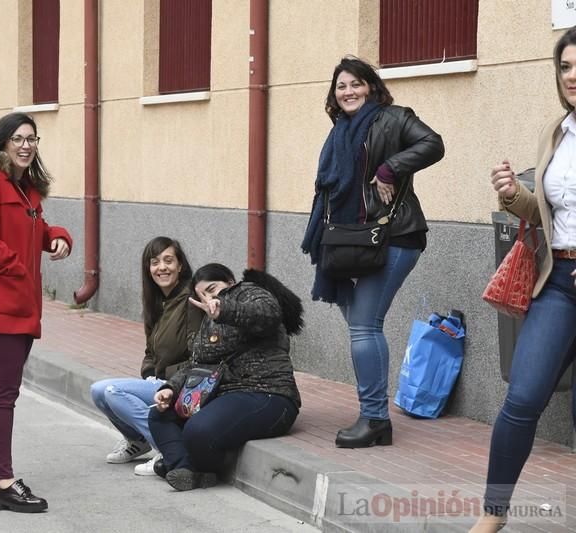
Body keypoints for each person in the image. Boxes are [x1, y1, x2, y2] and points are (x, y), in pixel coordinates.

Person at [300, 56, 444, 448]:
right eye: (341, 86)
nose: (348, 92)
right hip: (351, 240)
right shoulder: (339, 132)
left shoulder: (393, 118)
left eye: (355, 84)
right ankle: (375, 415)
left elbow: (433, 144)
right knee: (360, 323)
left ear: (371, 87)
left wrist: (389, 169)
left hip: (393, 234)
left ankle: (375, 419)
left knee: (364, 325)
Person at [471, 27, 576, 533]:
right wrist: (514, 195)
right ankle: (493, 515)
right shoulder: (557, 132)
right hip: (560, 279)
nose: (573, 76)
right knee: (522, 398)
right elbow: (551, 211)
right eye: (566, 66)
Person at [0, 112, 72, 513]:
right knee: (3, 393)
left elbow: (34, 230)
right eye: (18, 138)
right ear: (2, 143)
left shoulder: (25, 188)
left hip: (17, 304)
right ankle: (4, 483)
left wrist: (57, 236)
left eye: (32, 139)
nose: (26, 145)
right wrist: (18, 270)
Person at [149, 263, 303, 491]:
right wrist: (170, 388)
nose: (210, 297)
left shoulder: (250, 292)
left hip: (267, 394)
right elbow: (197, 365)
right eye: (203, 294)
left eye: (213, 288)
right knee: (159, 415)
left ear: (230, 282)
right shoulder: (209, 321)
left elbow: (267, 315)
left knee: (198, 430)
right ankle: (184, 468)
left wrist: (224, 309)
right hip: (224, 394)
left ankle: (187, 465)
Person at [90, 236, 201, 476]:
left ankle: (167, 447)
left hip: (182, 384)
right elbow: (150, 351)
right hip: (159, 381)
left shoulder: (190, 300)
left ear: (180, 265)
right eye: (155, 262)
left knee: (113, 391)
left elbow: (199, 356)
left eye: (168, 260)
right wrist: (149, 374)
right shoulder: (158, 301)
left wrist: (168, 380)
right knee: (97, 391)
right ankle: (137, 441)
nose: (162, 267)